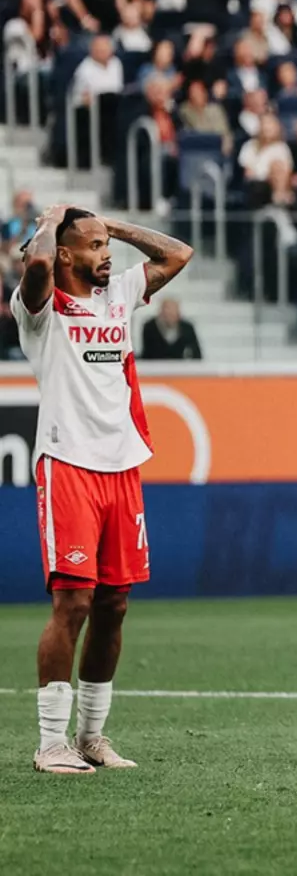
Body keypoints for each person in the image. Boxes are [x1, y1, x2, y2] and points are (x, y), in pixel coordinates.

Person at [12, 205, 194, 774]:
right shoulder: (39, 309)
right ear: (65, 254)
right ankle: (50, 744)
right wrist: (50, 224)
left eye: (105, 244)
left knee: (114, 605)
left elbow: (179, 254)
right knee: (74, 602)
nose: (106, 253)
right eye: (92, 246)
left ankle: (91, 737)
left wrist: (111, 225)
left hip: (122, 467)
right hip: (69, 463)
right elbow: (36, 265)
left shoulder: (118, 294)